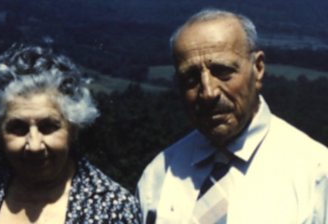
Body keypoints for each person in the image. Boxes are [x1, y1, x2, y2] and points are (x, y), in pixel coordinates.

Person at [137, 9, 328, 224]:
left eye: (222, 71)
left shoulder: (316, 174)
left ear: (258, 68)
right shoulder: (158, 175)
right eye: (191, 78)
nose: (208, 92)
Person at [0, 45, 142, 223]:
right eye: (18, 128)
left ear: (73, 128)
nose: (34, 145)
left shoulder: (114, 208)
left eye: (48, 127)